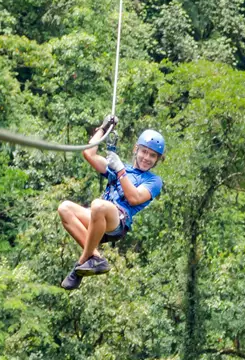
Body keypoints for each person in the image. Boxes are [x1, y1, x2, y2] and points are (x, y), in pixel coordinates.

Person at [57, 118, 165, 290]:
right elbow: (89, 154)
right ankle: (96, 258)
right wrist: (104, 127)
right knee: (65, 208)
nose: (147, 158)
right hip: (98, 220)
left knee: (98, 205)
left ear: (157, 159)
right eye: (144, 152)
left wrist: (120, 169)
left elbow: (134, 198)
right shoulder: (121, 167)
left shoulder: (154, 181)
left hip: (118, 221)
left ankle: (80, 264)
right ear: (136, 149)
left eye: (152, 155)